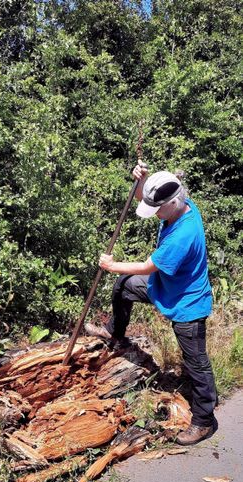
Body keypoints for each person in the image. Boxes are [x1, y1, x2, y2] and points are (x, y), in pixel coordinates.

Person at [85, 161, 217, 445]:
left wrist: (111, 265)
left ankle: (205, 420)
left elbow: (147, 267)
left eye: (157, 209)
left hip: (187, 303)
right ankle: (114, 332)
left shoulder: (183, 235)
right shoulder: (179, 201)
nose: (154, 213)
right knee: (124, 286)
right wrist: (141, 181)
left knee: (196, 363)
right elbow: (149, 198)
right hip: (165, 287)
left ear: (171, 204)